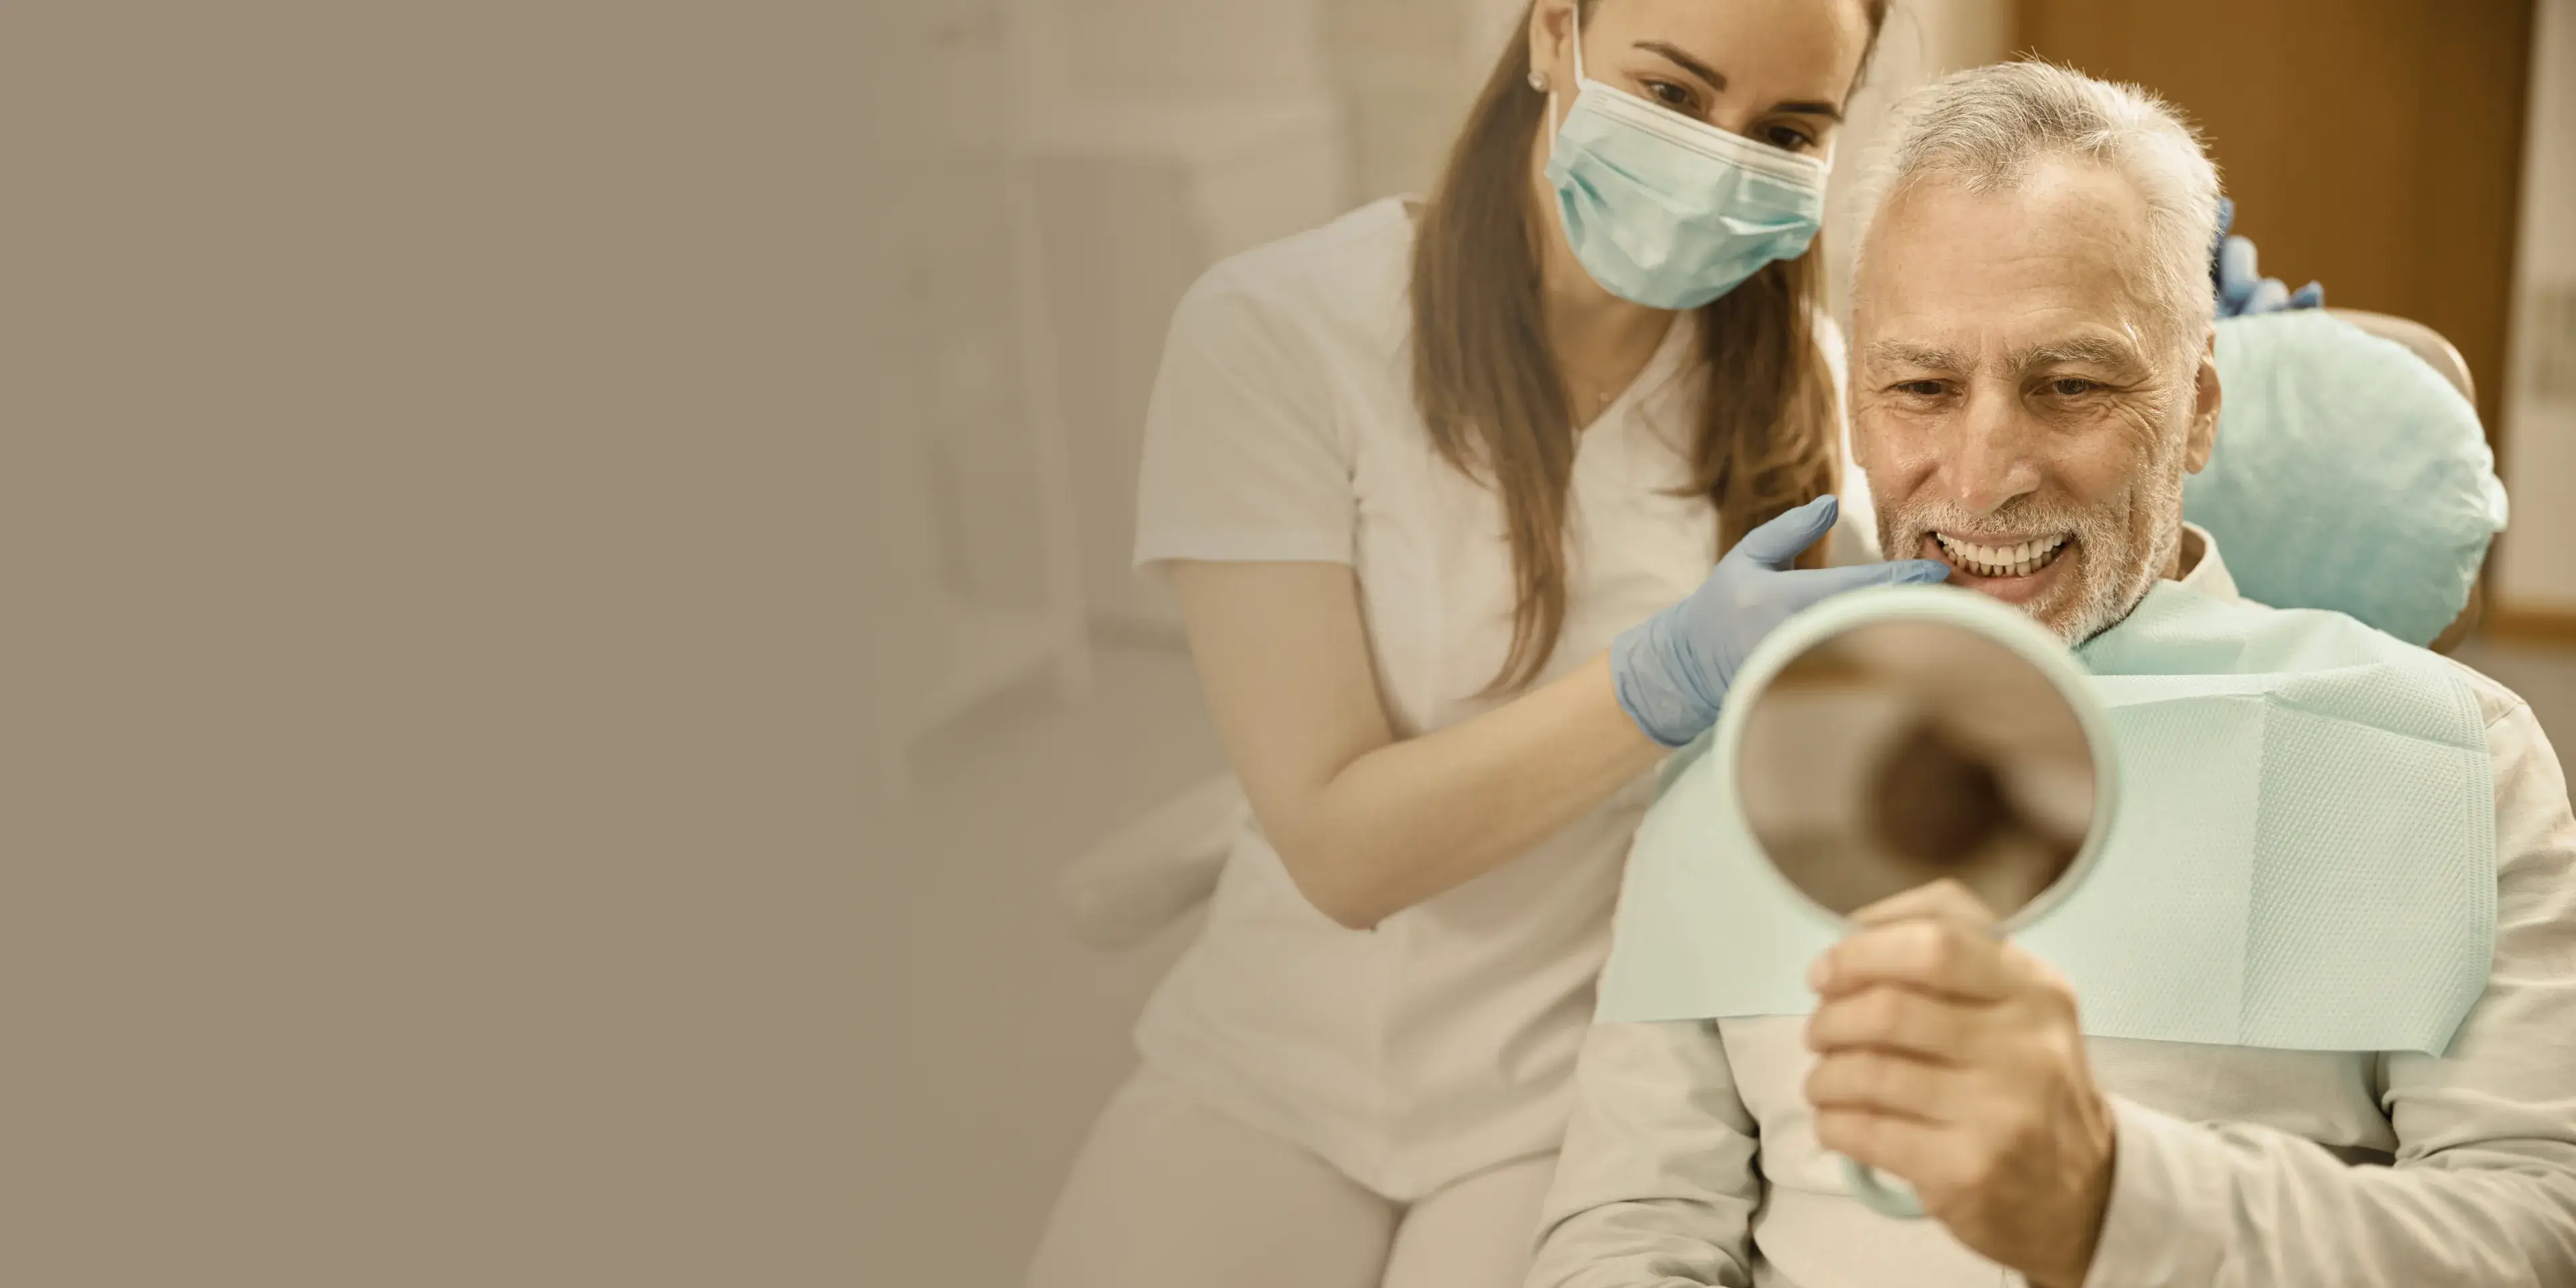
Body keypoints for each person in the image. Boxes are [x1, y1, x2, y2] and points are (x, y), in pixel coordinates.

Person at [1525, 61, 2576, 1287]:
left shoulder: (2450, 755)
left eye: (2068, 386)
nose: (1981, 480)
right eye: (1921, 388)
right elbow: (1633, 1221)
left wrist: (2114, 1202)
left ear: (2195, 410)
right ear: (1857, 405)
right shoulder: (1740, 762)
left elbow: (2539, 1228)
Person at [1020, 2, 1957, 1285]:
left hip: (1568, 1096)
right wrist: (1662, 679)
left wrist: (2190, 348)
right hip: (1273, 1064)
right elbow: (1342, 854)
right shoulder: (1281, 335)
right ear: (1552, 35)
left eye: (1786, 130)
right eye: (1675, 97)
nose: (1721, 160)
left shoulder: (1806, 390)